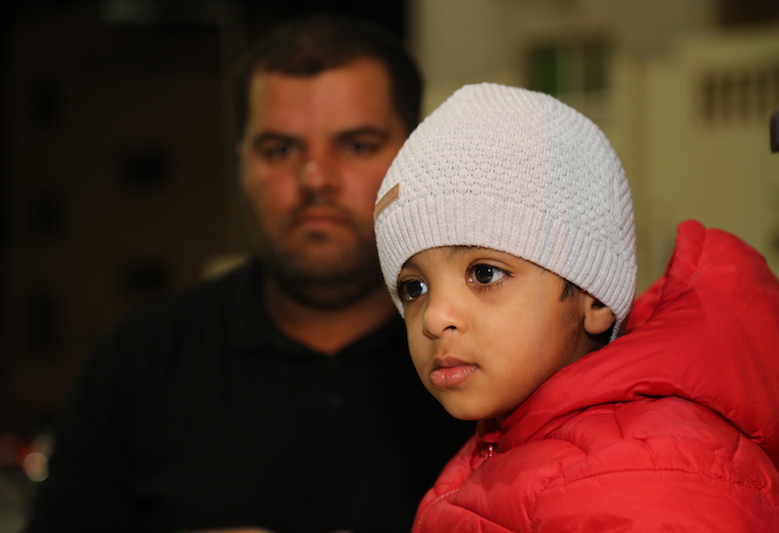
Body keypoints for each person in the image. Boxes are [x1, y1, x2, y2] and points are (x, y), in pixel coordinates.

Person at [23, 15, 472, 533]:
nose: (315, 178)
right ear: (240, 164)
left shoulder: (482, 352)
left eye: (356, 145)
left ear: (414, 157)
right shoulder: (141, 359)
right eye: (281, 149)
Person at [373, 82, 779, 531]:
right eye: (415, 287)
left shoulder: (643, 480)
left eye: (484, 274)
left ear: (594, 296)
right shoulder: (503, 446)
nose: (435, 317)